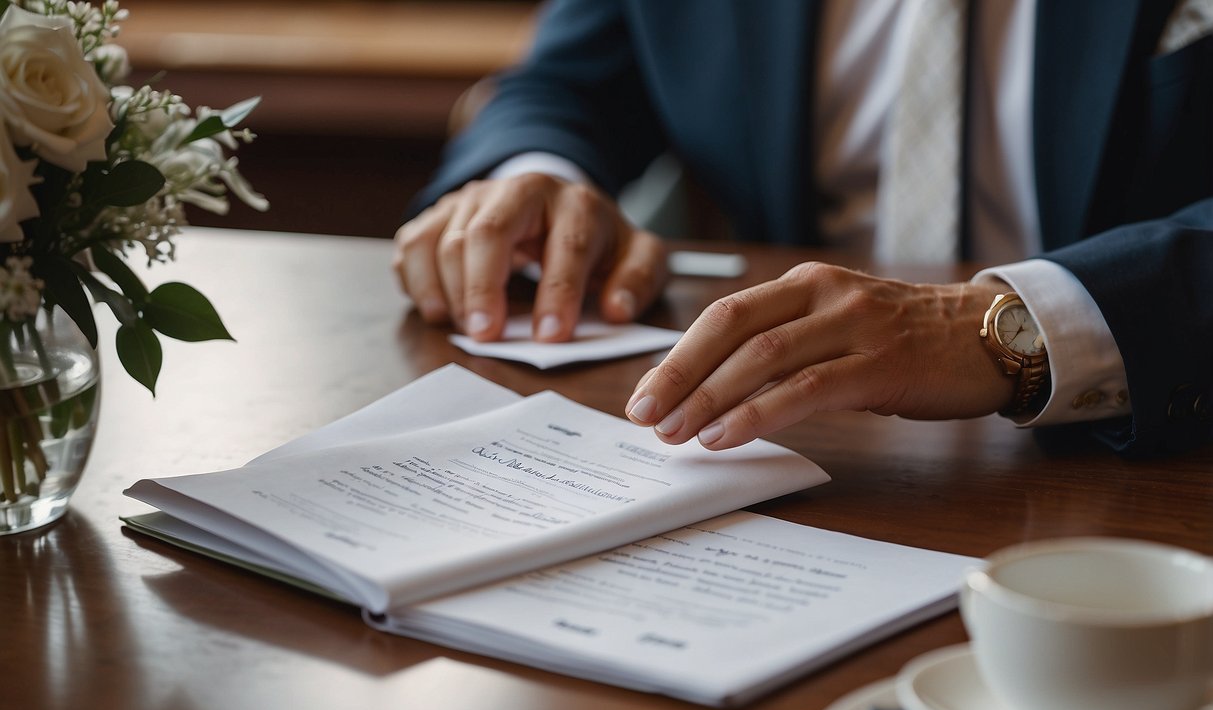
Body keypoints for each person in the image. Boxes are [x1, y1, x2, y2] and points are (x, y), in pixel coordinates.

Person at [394, 0, 1213, 457]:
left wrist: (1018, 327)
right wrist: (535, 177)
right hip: (796, 450)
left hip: (1147, 452)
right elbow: (565, 82)